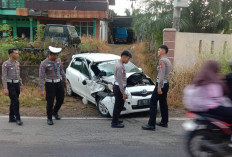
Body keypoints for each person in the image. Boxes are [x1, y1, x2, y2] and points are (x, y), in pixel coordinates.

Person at [142, 45, 171, 131]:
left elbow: (161, 75)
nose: (158, 51)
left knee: (153, 102)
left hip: (161, 84)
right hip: (166, 84)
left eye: (159, 50)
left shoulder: (162, 60)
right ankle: (164, 122)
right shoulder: (167, 60)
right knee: (163, 102)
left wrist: (159, 87)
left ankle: (151, 124)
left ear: (163, 51)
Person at [39, 46, 68, 125]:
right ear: (51, 55)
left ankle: (54, 112)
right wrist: (41, 89)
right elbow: (41, 77)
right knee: (50, 102)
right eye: (56, 55)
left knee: (61, 99)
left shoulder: (58, 60)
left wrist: (65, 79)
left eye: (58, 55)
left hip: (59, 82)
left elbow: (61, 70)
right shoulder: (44, 63)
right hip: (50, 84)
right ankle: (49, 118)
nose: (57, 57)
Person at [2, 48, 23, 125]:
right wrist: (5, 88)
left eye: (18, 53)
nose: (18, 54)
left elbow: (18, 75)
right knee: (16, 101)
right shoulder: (6, 64)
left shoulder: (17, 63)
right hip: (10, 85)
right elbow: (4, 77)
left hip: (17, 84)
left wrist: (21, 84)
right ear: (11, 54)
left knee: (14, 101)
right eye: (16, 53)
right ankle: (18, 118)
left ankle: (11, 117)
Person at [111, 50, 132, 128]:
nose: (128, 61)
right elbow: (120, 80)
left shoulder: (119, 64)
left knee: (120, 104)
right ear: (124, 57)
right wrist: (123, 92)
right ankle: (114, 122)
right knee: (118, 105)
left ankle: (116, 119)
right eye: (128, 59)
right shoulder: (120, 66)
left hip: (119, 87)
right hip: (119, 88)